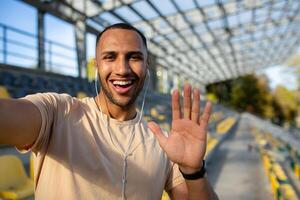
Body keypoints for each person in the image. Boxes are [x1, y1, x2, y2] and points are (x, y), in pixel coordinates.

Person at [0, 23, 218, 200]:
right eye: (110, 57)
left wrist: (193, 170)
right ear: (97, 65)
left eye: (134, 57)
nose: (122, 69)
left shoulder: (163, 143)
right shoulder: (58, 112)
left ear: (146, 67)